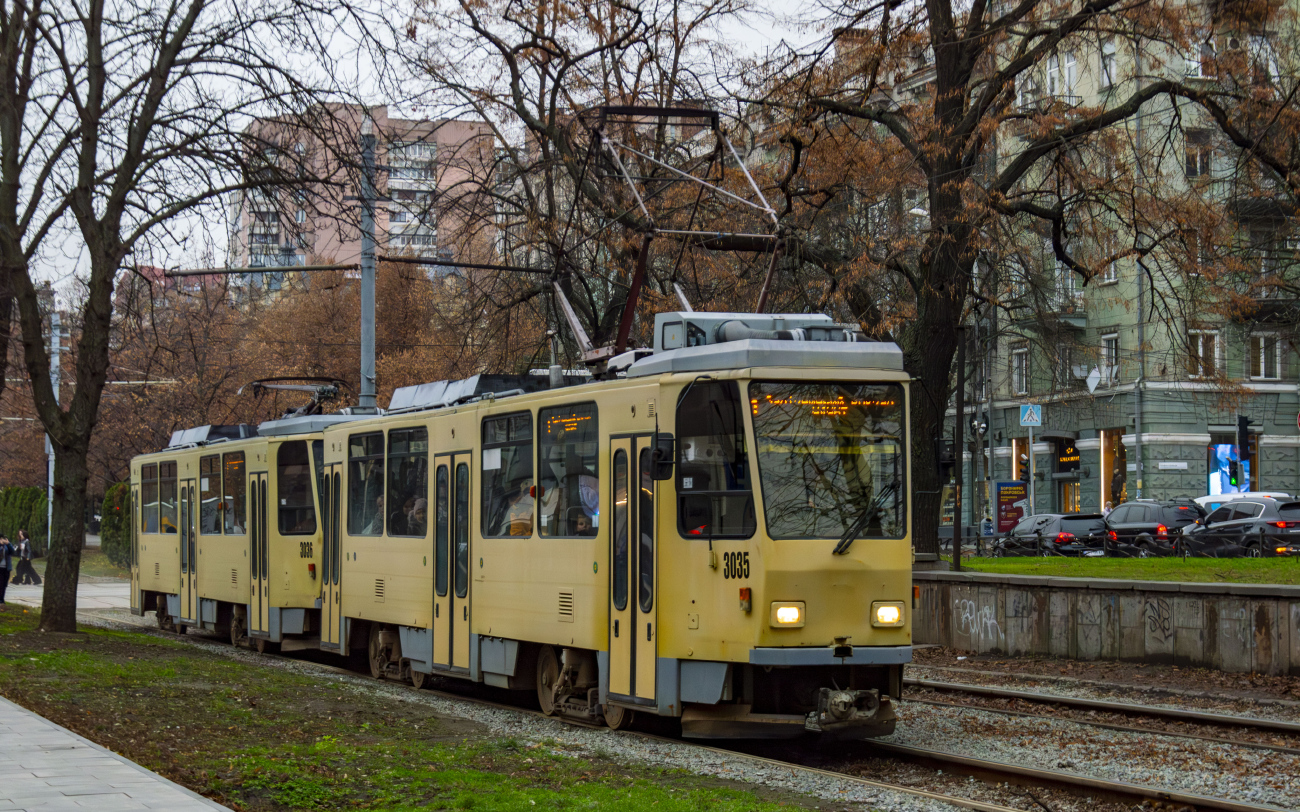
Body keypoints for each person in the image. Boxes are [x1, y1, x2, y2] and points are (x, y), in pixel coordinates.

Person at [0, 534, 13, 606]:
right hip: (0, 568)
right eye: (2, 539)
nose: (3, 540)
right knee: (0, 584)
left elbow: (13, 552)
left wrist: (8, 544)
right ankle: (0, 599)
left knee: (4, 584)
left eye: (4, 539)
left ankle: (2, 598)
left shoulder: (7, 546)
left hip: (6, 568)